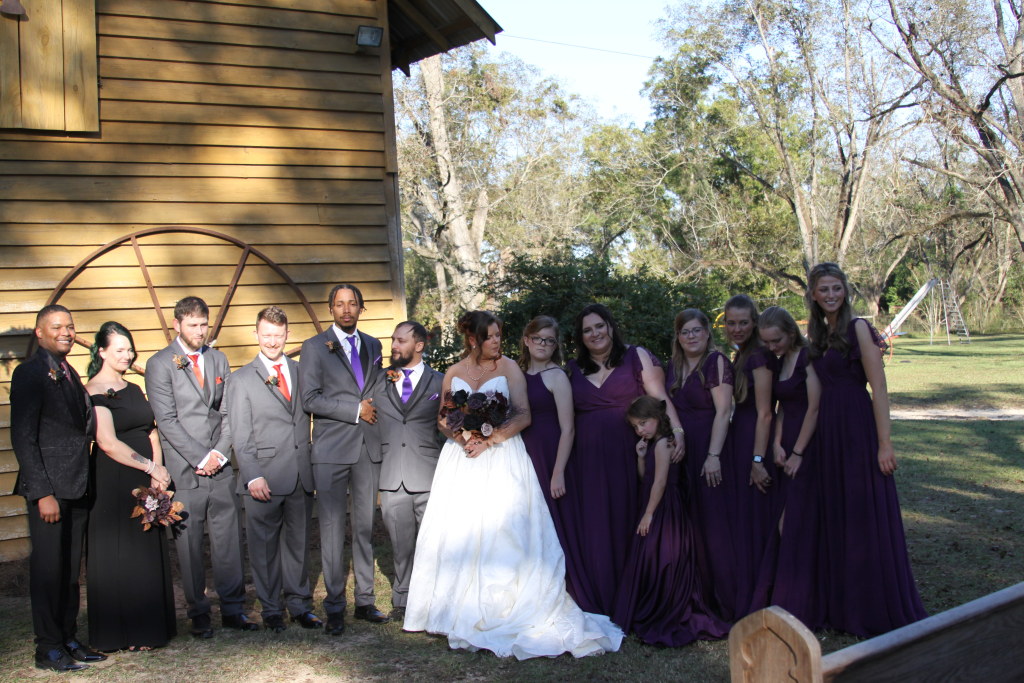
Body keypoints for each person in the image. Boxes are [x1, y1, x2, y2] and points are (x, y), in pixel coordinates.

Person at [404, 311, 622, 659]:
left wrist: (489, 439)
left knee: (501, 529)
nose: (497, 341)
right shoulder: (454, 372)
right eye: (490, 336)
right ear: (473, 340)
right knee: (460, 527)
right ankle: (452, 607)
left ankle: (503, 605)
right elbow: (444, 418)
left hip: (501, 455)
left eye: (499, 335)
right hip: (461, 459)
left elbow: (523, 414)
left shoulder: (509, 368)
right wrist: (463, 438)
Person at [806, 262, 927, 636]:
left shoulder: (858, 327)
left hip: (857, 429)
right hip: (829, 432)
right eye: (824, 289)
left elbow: (880, 388)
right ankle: (844, 607)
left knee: (862, 514)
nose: (831, 295)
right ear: (813, 294)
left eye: (836, 288)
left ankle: (873, 605)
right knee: (837, 515)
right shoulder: (817, 334)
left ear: (845, 290)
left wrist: (884, 443)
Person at [564, 303, 683, 617]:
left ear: (610, 326)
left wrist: (677, 431)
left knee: (629, 519)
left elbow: (659, 398)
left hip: (630, 454)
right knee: (597, 525)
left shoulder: (635, 356)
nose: (595, 334)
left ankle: (633, 595)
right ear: (580, 337)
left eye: (599, 326)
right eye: (587, 330)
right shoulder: (573, 369)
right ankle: (601, 595)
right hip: (588, 461)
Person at [147, 296, 253, 638]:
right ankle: (199, 613)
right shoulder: (159, 364)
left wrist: (220, 453)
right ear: (177, 325)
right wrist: (199, 457)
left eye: (203, 324)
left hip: (219, 466)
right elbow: (166, 420)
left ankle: (233, 609)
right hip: (185, 468)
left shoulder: (219, 359)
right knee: (189, 543)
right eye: (192, 325)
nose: (199, 331)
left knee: (228, 540)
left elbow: (228, 412)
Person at [12, 305, 107, 671]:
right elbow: (24, 437)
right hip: (49, 490)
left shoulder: (68, 371)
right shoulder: (30, 373)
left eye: (70, 326)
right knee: (49, 570)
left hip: (76, 487)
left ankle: (67, 637)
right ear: (40, 333)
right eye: (57, 327)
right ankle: (48, 647)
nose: (66, 332)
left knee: (68, 571)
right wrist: (42, 493)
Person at [299, 284, 387, 635]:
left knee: (365, 527)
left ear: (361, 308)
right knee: (333, 529)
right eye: (339, 304)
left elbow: (377, 389)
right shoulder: (314, 347)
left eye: (352, 303)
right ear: (331, 309)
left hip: (367, 448)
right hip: (331, 450)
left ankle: (365, 601)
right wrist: (354, 410)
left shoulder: (373, 345)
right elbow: (310, 399)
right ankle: (335, 606)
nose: (346, 309)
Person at [225, 306, 319, 634]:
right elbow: (240, 433)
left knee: (298, 545)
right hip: (263, 475)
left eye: (278, 335)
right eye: (266, 335)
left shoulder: (301, 371)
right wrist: (252, 474)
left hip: (300, 474)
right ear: (256, 334)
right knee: (264, 549)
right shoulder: (241, 380)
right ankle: (272, 609)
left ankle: (300, 605)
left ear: (287, 335)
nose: (272, 341)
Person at [85, 322, 176, 651]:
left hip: (145, 476)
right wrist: (150, 466)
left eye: (130, 349)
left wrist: (158, 473)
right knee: (120, 552)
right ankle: (122, 631)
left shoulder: (135, 388)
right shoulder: (93, 391)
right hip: (114, 479)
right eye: (120, 350)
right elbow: (107, 442)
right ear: (102, 351)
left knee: (144, 550)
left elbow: (151, 430)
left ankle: (149, 627)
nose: (127, 355)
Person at [613, 396, 729, 646]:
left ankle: (667, 608)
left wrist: (649, 513)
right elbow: (646, 477)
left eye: (643, 423)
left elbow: (660, 482)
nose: (640, 430)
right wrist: (640, 457)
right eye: (635, 426)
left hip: (664, 506)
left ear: (657, 418)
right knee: (650, 555)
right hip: (654, 503)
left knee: (663, 555)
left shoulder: (665, 443)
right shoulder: (653, 444)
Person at [749, 306, 824, 628]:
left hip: (809, 444)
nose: (771, 347)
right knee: (786, 520)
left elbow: (814, 408)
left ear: (791, 333)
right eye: (766, 342)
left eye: (776, 340)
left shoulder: (808, 358)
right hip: (786, 444)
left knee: (794, 521)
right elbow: (780, 408)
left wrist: (797, 452)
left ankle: (802, 597)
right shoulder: (779, 361)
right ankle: (789, 594)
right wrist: (776, 444)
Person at [665, 309, 738, 621]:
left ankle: (723, 599)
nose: (691, 336)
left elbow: (723, 412)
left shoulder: (715, 362)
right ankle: (693, 595)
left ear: (708, 333)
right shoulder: (673, 366)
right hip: (682, 453)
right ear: (678, 337)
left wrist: (713, 456)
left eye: (697, 330)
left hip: (709, 451)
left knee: (713, 525)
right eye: (685, 331)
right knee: (689, 525)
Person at [373, 321, 444, 623]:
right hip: (392, 474)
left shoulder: (440, 381)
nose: (394, 346)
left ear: (419, 345)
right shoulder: (378, 380)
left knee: (432, 543)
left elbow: (450, 424)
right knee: (400, 545)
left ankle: (434, 599)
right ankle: (402, 598)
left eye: (401, 341)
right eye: (393, 340)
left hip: (429, 473)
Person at [723, 294, 779, 617]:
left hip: (754, 440)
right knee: (745, 518)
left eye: (743, 322)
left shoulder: (758, 356)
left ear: (754, 322)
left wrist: (757, 461)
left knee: (757, 517)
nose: (737, 328)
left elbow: (765, 413)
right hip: (740, 437)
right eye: (731, 323)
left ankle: (762, 592)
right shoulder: (742, 353)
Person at [517, 315, 579, 598]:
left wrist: (558, 472)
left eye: (549, 340)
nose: (543, 344)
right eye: (538, 338)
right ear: (527, 340)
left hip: (551, 456)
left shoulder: (557, 376)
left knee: (555, 522)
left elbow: (568, 429)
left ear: (555, 346)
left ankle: (562, 588)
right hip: (522, 454)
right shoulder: (517, 373)